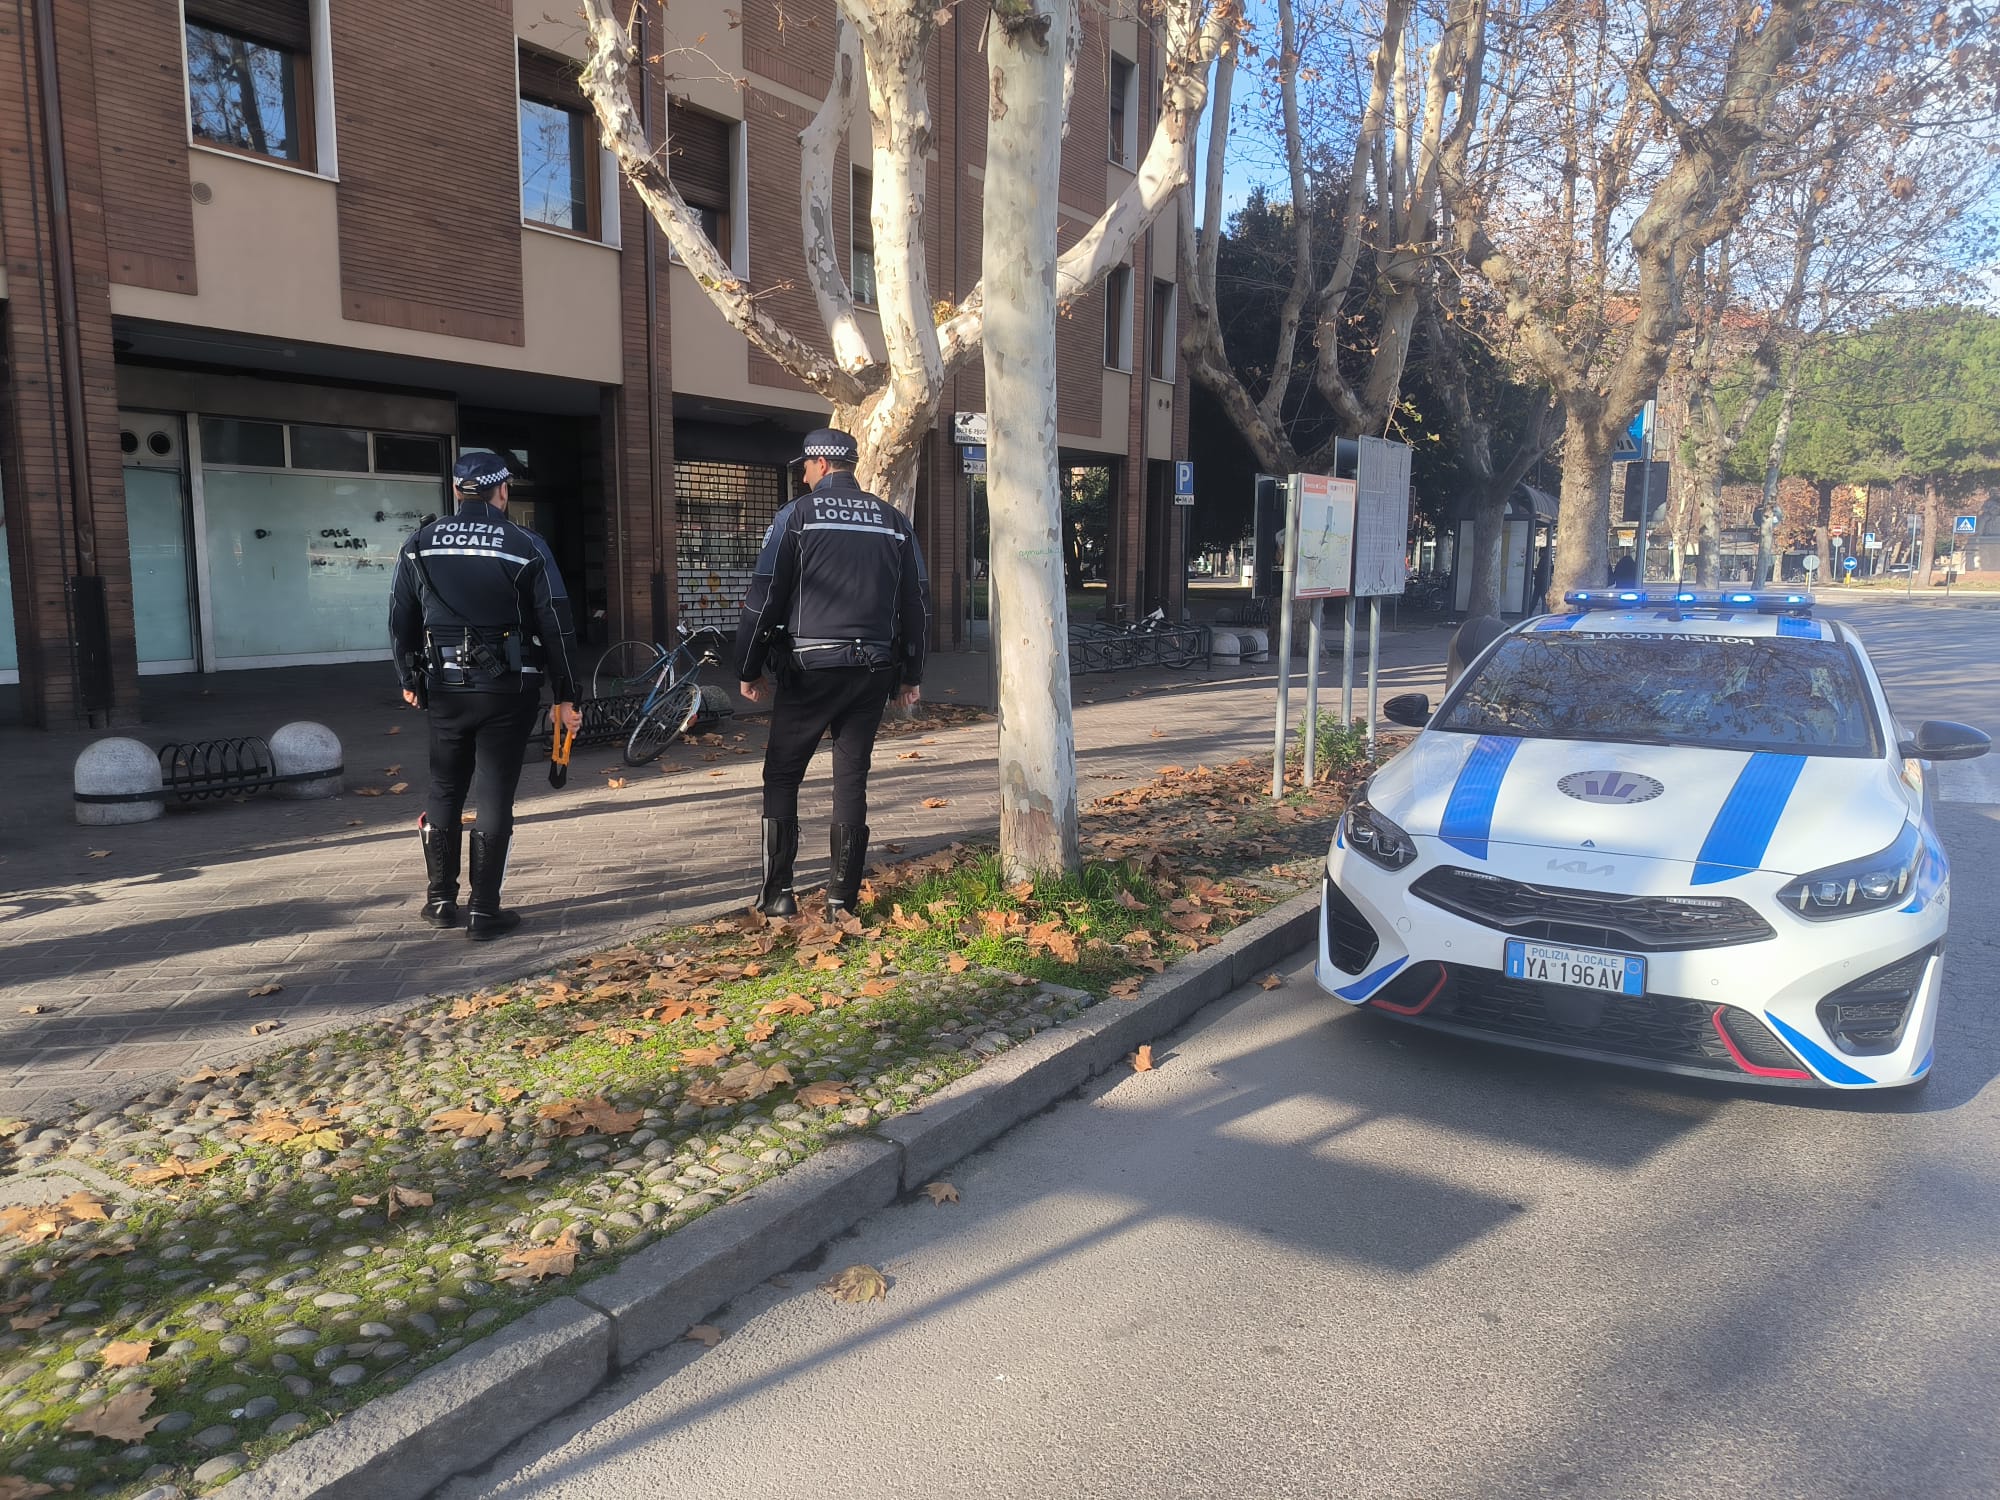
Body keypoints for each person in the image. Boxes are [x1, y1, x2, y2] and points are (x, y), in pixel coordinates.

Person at [737, 427, 930, 918]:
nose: (803, 476)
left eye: (805, 467)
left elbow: (763, 598)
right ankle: (841, 899)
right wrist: (911, 674)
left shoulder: (796, 516)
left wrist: (749, 667)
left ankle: (778, 894)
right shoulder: (894, 521)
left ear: (822, 464)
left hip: (810, 669)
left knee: (782, 774)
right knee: (851, 779)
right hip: (872, 670)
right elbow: (917, 603)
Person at [389, 452, 581, 941]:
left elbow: (400, 616)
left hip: (444, 686)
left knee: (444, 787)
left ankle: (439, 900)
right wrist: (567, 694)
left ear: (457, 491)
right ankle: (484, 911)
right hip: (508, 688)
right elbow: (556, 623)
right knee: (494, 791)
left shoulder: (419, 542)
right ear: (503, 491)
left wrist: (408, 676)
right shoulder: (525, 544)